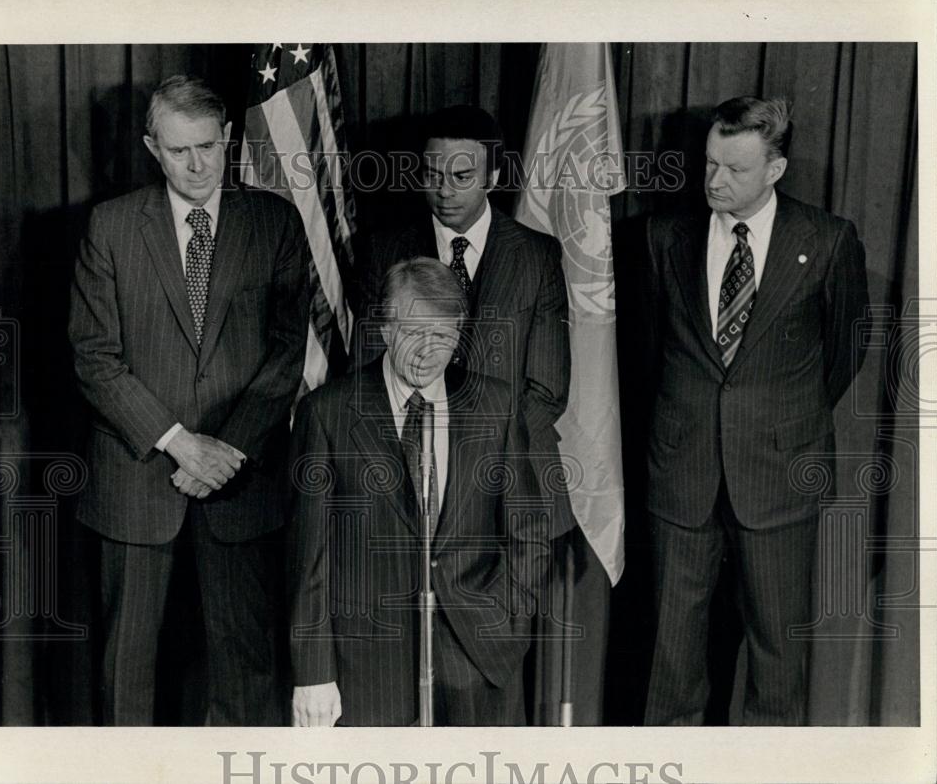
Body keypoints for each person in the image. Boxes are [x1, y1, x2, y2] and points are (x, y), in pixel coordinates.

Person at [68, 75, 309, 725]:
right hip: (138, 475)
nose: (198, 164)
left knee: (247, 666)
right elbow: (93, 356)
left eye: (208, 146)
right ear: (152, 146)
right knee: (127, 670)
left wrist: (227, 449)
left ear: (229, 137)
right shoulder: (112, 226)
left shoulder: (274, 222)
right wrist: (181, 441)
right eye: (179, 151)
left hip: (240, 477)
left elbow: (288, 348)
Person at [642, 96, 869, 725]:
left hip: (779, 477)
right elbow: (647, 350)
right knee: (671, 657)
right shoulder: (665, 237)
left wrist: (778, 419)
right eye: (710, 163)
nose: (715, 180)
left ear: (775, 170)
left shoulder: (826, 240)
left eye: (735, 169)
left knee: (776, 658)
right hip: (682, 474)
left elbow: (847, 348)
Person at [289, 258, 549, 726]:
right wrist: (313, 674)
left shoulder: (495, 405)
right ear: (385, 329)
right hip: (366, 670)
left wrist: (507, 619)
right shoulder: (327, 414)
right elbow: (311, 560)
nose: (430, 351)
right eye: (414, 333)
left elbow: (528, 531)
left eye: (445, 334)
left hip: (479, 659)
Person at [357, 104, 574, 539]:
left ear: (491, 178)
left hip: (511, 477)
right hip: (408, 475)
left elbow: (548, 390)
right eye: (433, 174)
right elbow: (368, 376)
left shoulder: (537, 255)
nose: (444, 191)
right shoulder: (383, 251)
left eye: (461, 177)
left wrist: (476, 461)